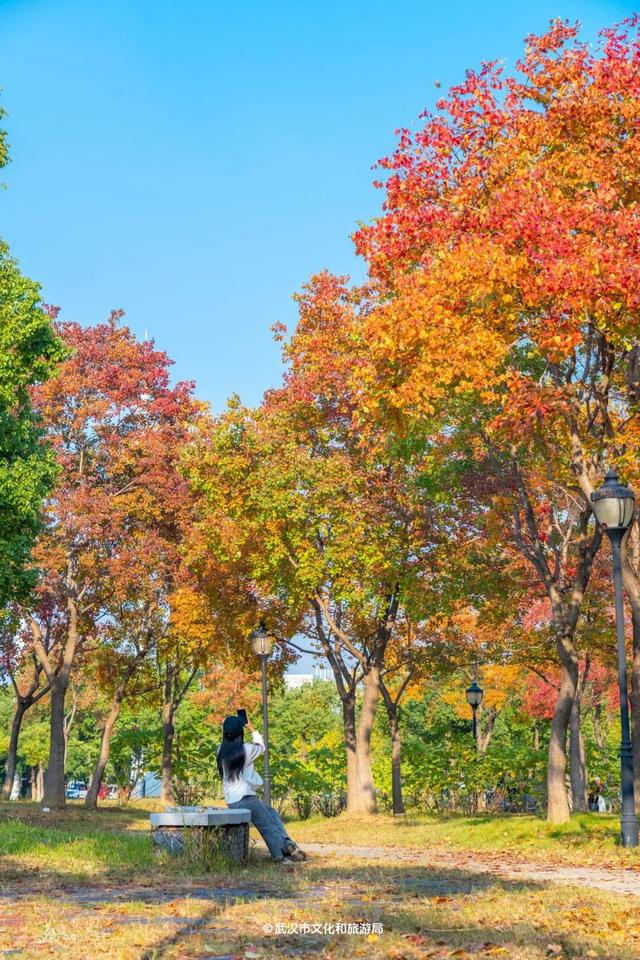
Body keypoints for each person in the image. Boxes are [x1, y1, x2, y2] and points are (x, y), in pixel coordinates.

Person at [217, 714, 307, 864]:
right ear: (241, 732)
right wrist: (251, 727)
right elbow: (261, 745)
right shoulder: (246, 750)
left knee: (271, 813)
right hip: (246, 798)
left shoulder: (220, 751)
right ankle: (281, 855)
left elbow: (228, 737)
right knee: (267, 825)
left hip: (232, 800)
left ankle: (288, 844)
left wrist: (226, 726)